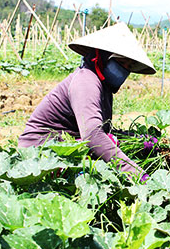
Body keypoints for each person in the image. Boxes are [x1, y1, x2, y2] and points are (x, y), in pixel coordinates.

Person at [18, 22, 156, 181]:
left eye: (130, 65)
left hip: (65, 147)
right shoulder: (86, 82)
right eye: (121, 62)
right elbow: (93, 135)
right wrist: (137, 174)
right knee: (106, 149)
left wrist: (139, 139)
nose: (125, 68)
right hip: (39, 155)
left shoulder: (103, 86)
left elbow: (103, 130)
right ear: (102, 56)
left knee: (111, 142)